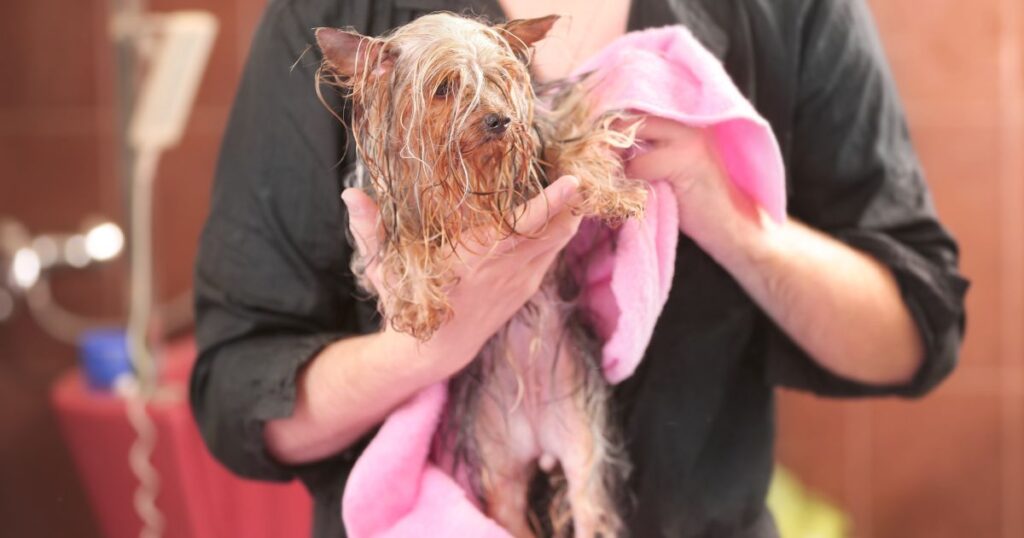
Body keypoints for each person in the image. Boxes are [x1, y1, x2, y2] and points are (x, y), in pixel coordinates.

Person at [190, 0, 969, 536]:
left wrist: (728, 215)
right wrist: (430, 345)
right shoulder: (338, 14)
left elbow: (916, 328)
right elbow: (236, 393)